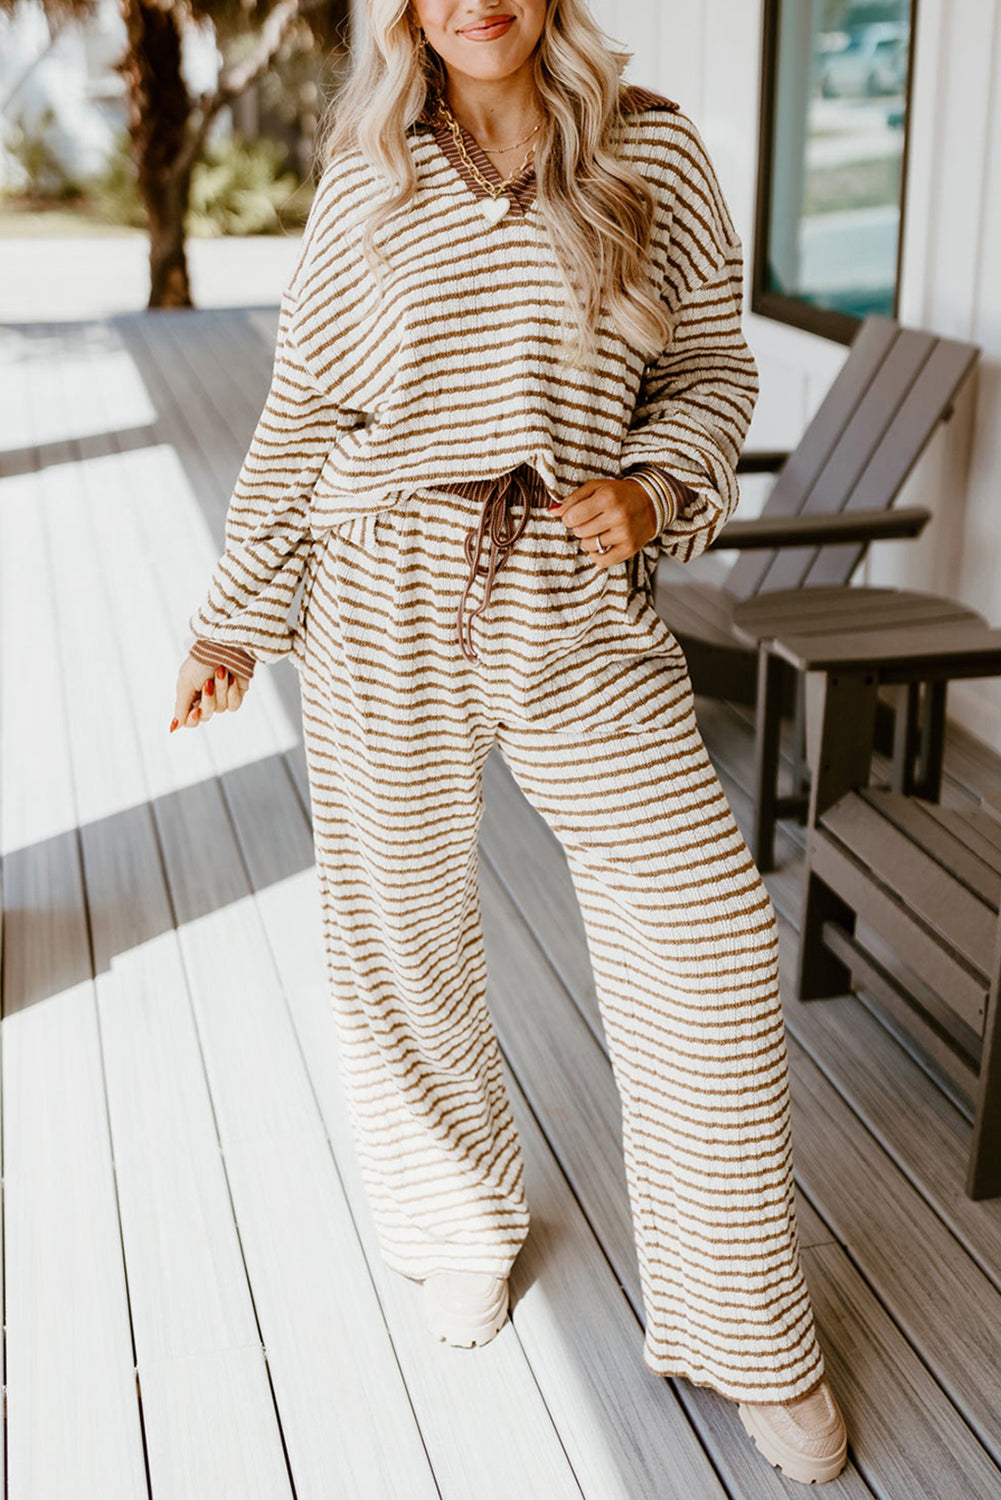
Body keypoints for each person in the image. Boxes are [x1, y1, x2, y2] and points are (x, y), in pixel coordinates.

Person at [171, 0, 848, 1484]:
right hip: (381, 587)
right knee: (398, 930)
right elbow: (306, 409)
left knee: (709, 935)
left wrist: (653, 489)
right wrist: (232, 619)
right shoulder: (370, 170)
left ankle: (744, 1329)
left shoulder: (650, 149)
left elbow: (711, 372)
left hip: (573, 588)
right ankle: (457, 1224)